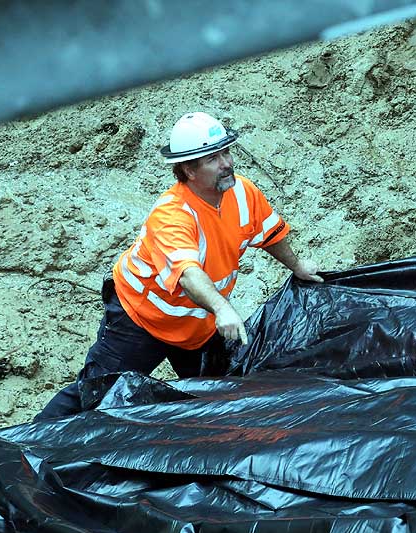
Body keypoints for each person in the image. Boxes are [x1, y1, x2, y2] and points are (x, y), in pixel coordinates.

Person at [36, 112, 323, 420]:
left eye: (226, 152)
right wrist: (222, 308)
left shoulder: (243, 192)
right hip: (140, 321)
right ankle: (25, 446)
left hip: (195, 326)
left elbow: (269, 233)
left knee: (216, 400)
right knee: (95, 395)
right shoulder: (172, 215)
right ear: (189, 169)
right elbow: (188, 274)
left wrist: (297, 266)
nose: (226, 163)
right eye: (213, 158)